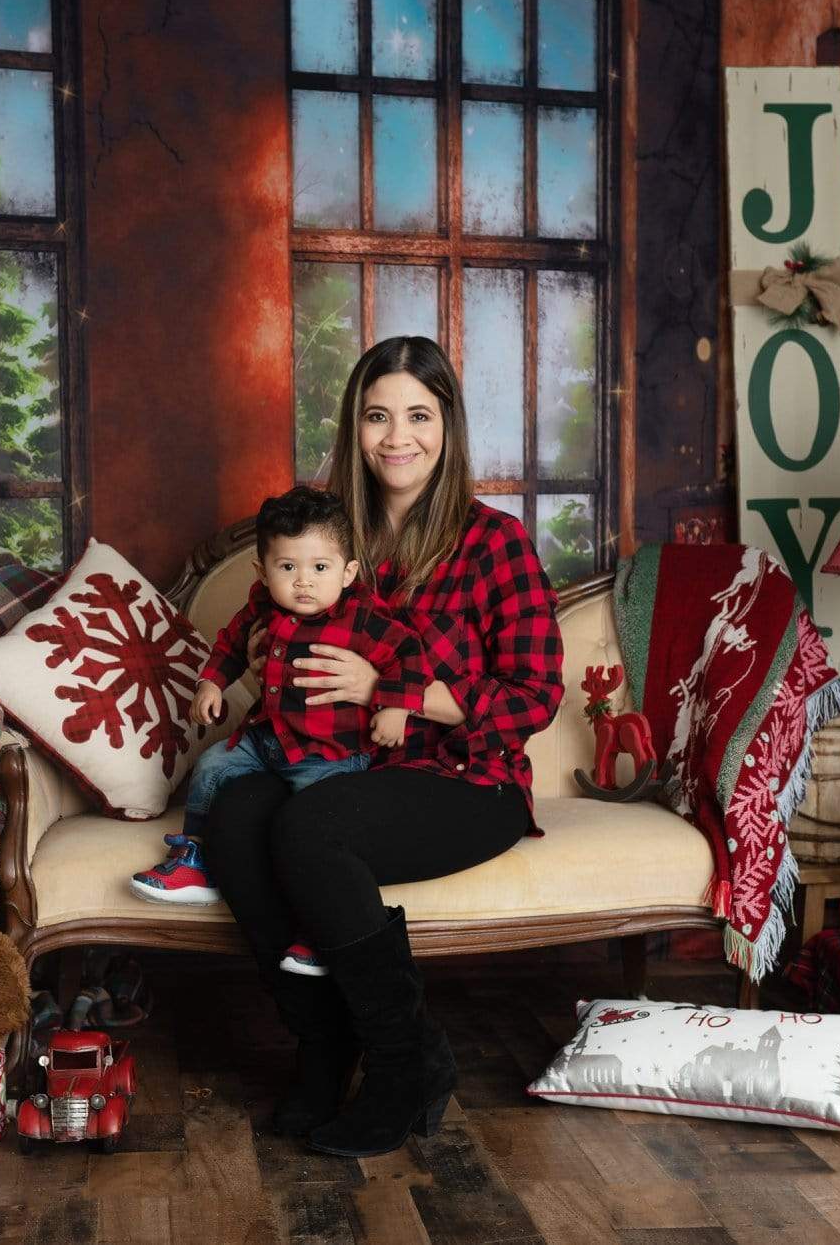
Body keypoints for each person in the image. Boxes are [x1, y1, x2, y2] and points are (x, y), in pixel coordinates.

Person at [205, 335, 564, 1157]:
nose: (397, 436)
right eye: (377, 415)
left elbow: (537, 696)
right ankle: (325, 1050)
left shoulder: (492, 543)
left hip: (468, 779)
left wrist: (389, 692)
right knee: (233, 815)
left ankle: (407, 1065)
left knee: (312, 827)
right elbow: (263, 640)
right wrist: (260, 663)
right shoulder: (324, 540)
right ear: (353, 429)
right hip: (341, 763)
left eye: (418, 415)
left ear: (449, 426)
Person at [129, 486, 426, 979]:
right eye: (287, 568)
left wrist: (393, 707)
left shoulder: (364, 618)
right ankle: (195, 856)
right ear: (263, 572)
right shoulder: (262, 607)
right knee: (212, 768)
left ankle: (321, 929)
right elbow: (228, 644)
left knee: (311, 834)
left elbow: (409, 658)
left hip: (329, 755)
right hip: (267, 739)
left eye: (320, 568)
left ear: (348, 572)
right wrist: (210, 683)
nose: (304, 582)